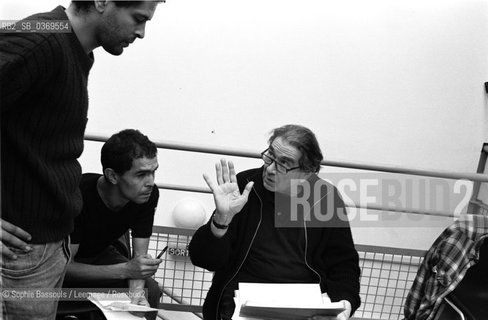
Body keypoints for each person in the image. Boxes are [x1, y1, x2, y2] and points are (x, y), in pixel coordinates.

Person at [0, 1, 162, 318]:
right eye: (138, 18)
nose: (141, 33)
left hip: (45, 249)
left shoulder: (73, 51)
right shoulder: (42, 40)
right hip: (18, 255)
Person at [189, 124, 361, 320]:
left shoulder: (325, 197)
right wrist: (221, 220)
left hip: (304, 306)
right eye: (270, 156)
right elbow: (203, 259)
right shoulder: (245, 186)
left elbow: (343, 264)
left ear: (307, 171)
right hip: (241, 302)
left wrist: (343, 308)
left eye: (283, 163)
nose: (270, 169)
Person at [62, 129, 162, 320]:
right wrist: (125, 269)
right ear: (113, 176)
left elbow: (139, 260)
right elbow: (65, 267)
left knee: (151, 290)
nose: (150, 182)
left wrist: (136, 295)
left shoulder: (147, 195)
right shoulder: (79, 196)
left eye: (153, 172)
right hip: (58, 263)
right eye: (141, 174)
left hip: (99, 255)